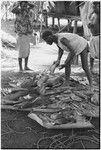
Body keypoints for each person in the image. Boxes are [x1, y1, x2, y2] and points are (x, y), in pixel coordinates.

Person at [11, 1, 35, 71]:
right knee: (21, 51)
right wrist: (18, 4)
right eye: (23, 5)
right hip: (20, 34)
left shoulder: (27, 10)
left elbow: (33, 6)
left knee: (27, 50)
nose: (24, 6)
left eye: (25, 5)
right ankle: (21, 68)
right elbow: (12, 10)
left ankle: (26, 66)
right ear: (20, 5)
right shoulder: (17, 11)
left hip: (27, 33)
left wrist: (26, 3)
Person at [87, 2, 100, 73]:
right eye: (93, 5)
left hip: (99, 36)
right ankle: (91, 68)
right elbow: (90, 23)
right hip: (93, 36)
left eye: (96, 5)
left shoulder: (99, 14)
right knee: (91, 54)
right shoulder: (92, 14)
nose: (94, 7)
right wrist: (89, 25)